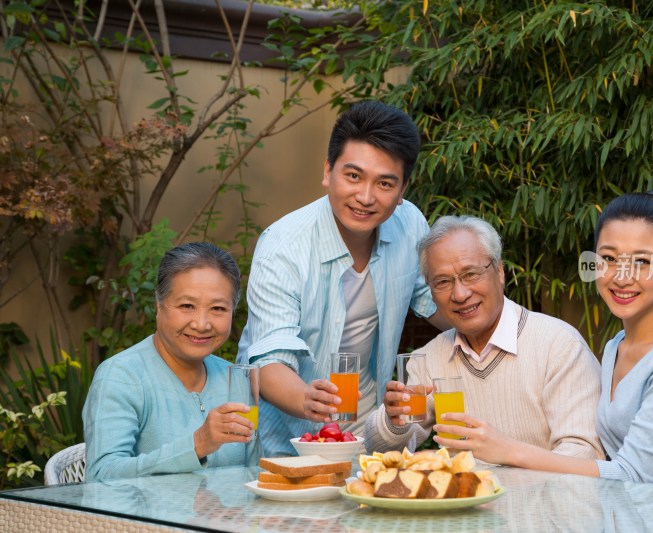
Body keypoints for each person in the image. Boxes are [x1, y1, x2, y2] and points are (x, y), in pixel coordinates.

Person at [434, 192, 653, 497]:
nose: (621, 276)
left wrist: (508, 450)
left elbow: (631, 474)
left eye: (642, 261)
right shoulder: (616, 346)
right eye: (609, 258)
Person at [236, 101, 448, 456]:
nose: (365, 197)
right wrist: (306, 398)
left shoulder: (410, 224)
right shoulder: (283, 245)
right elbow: (268, 360)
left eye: (384, 183)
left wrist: (502, 325)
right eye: (353, 176)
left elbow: (437, 305)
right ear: (327, 171)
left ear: (402, 190)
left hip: (367, 435)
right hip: (287, 440)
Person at [364, 215, 604, 460]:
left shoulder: (559, 346)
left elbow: (585, 454)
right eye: (443, 281)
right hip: (464, 497)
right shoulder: (428, 359)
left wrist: (508, 455)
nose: (460, 293)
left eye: (471, 274)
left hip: (543, 498)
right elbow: (380, 450)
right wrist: (393, 423)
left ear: (499, 271)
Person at [83, 242, 258, 481]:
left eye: (218, 308)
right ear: (159, 306)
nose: (201, 323)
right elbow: (101, 476)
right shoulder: (121, 376)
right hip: (143, 519)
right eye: (187, 306)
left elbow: (253, 472)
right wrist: (197, 445)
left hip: (230, 518)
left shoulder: (235, 378)